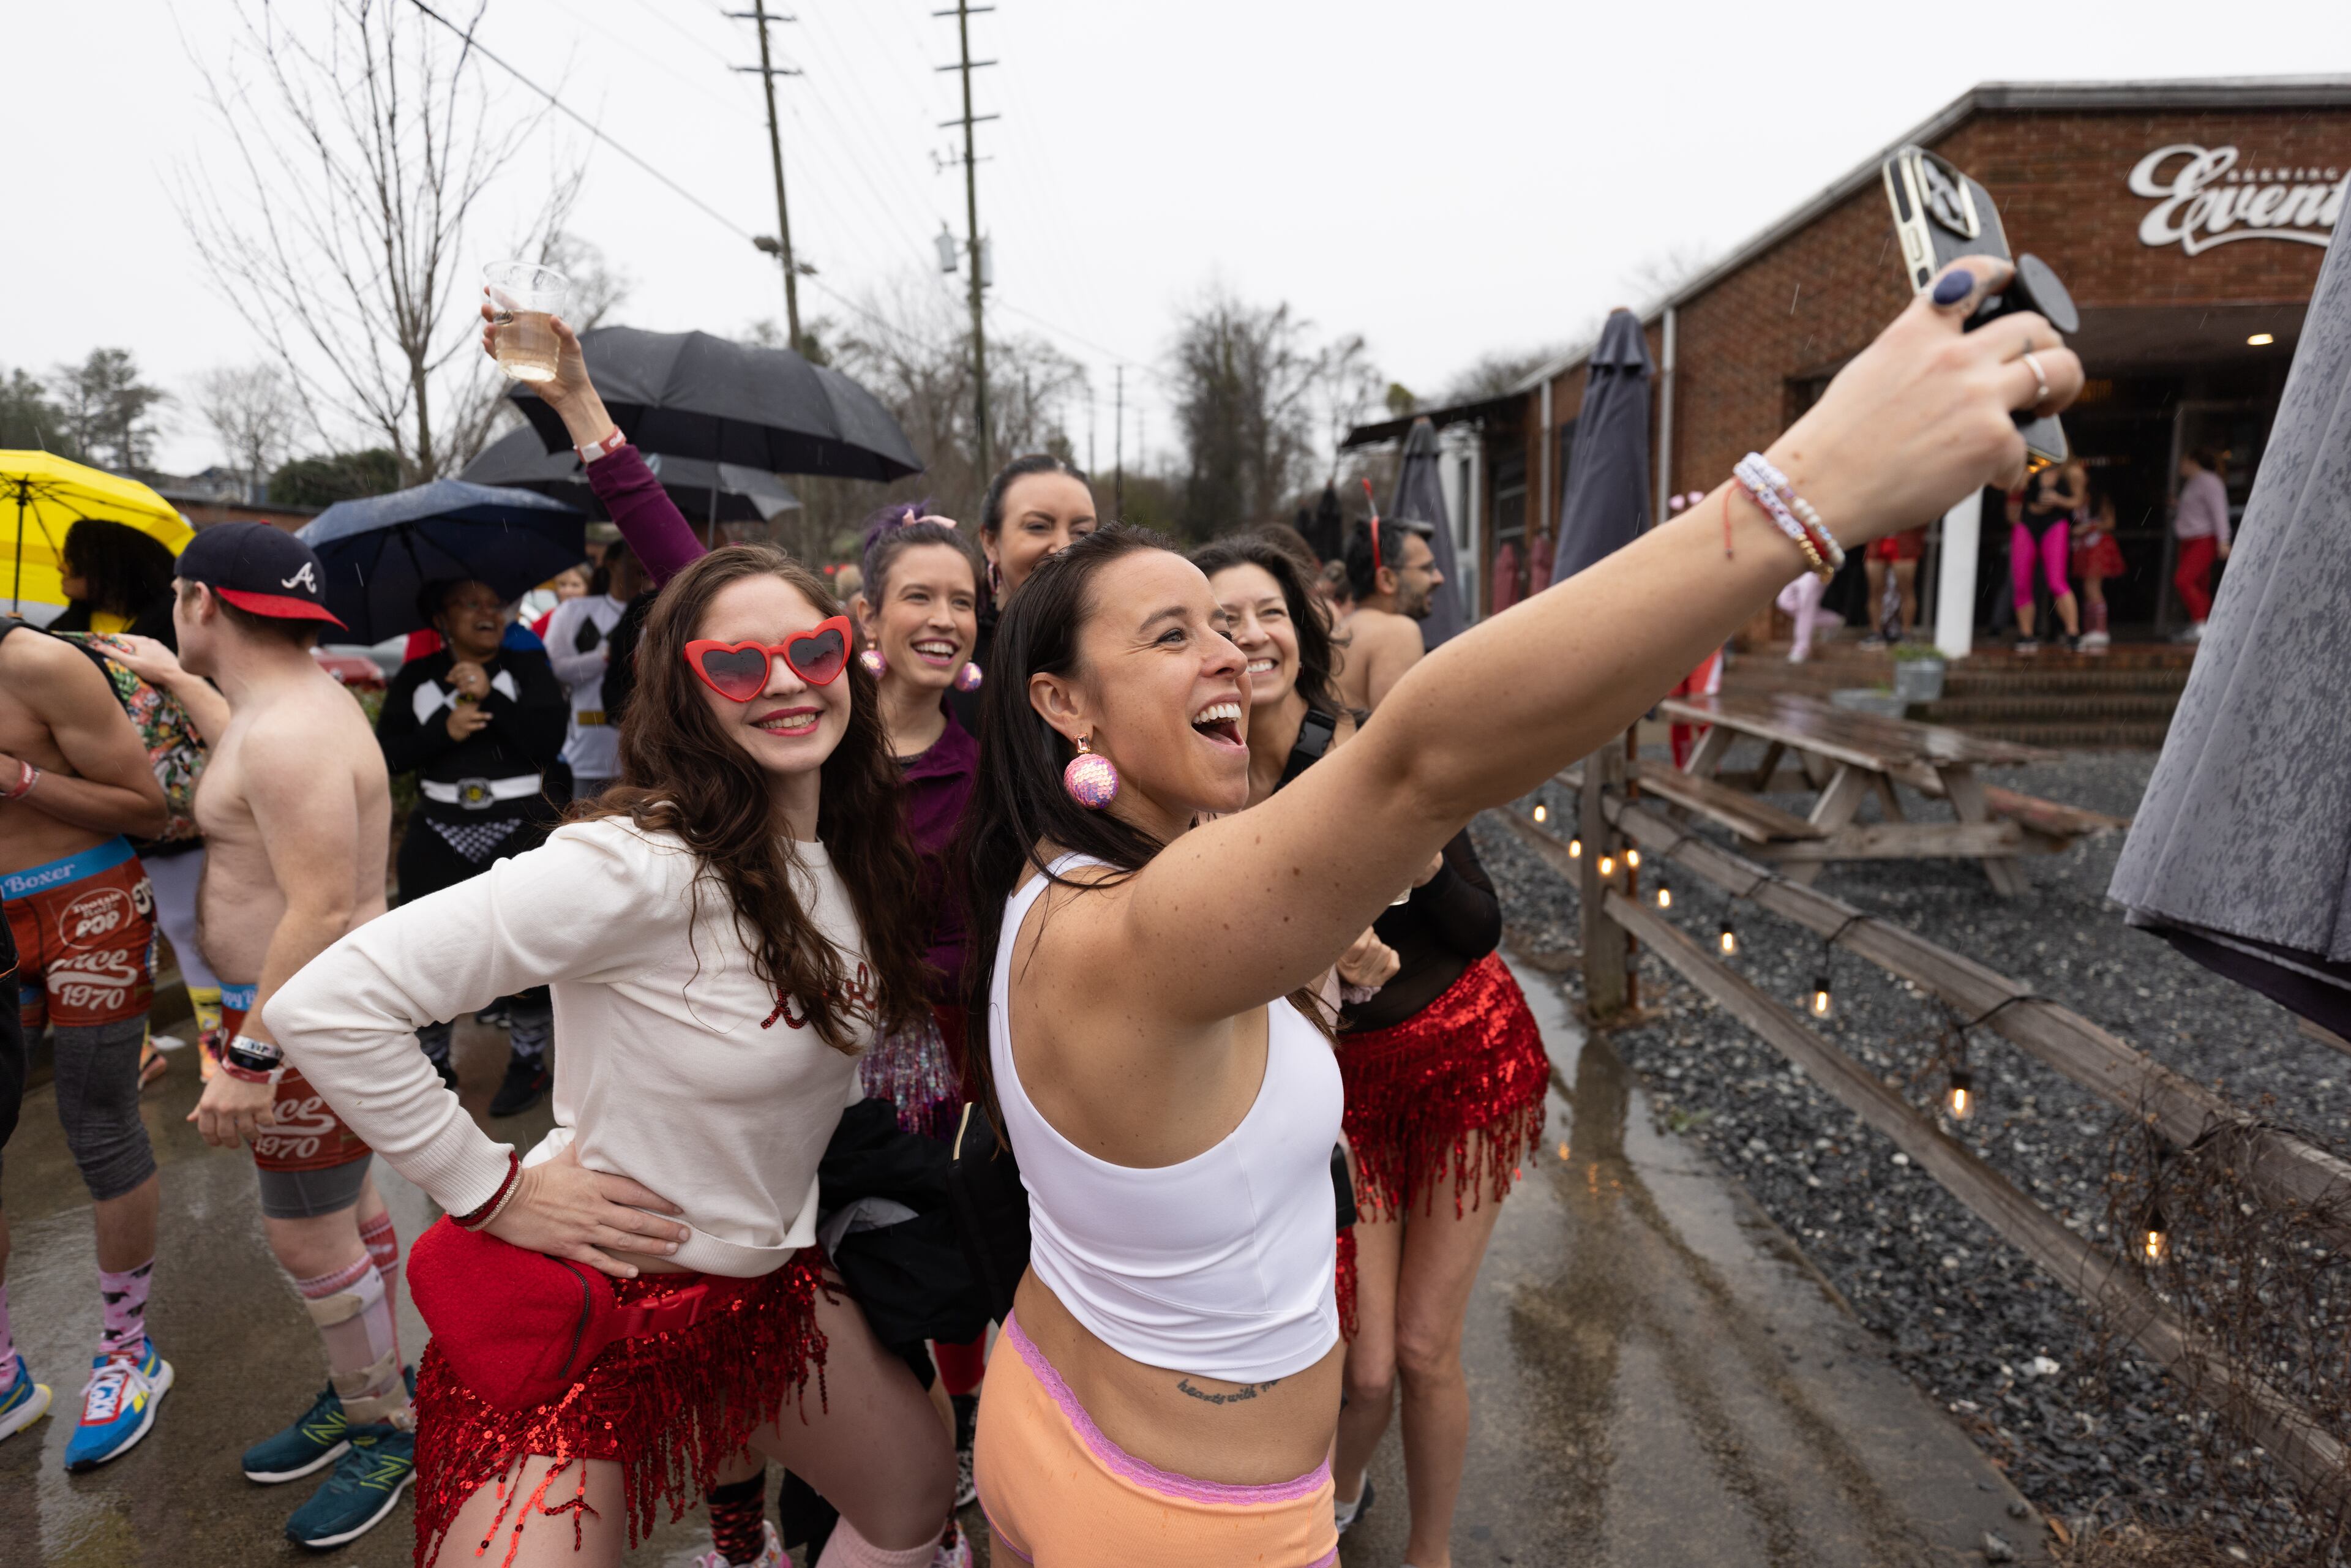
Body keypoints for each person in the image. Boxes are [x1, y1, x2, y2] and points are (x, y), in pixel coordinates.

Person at [958, 254, 2080, 1566]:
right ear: (1060, 702)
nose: (1230, 651)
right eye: (1170, 636)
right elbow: (1423, 755)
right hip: (1188, 1522)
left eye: (1231, 621)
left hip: (1049, 1413)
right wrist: (1804, 491)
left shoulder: (1065, 873)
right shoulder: (1145, 928)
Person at [266, 542, 958, 1568]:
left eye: (813, 649)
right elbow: (328, 1003)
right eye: (736, 664)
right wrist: (491, 1190)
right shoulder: (639, 863)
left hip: (763, 1293)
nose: (782, 682)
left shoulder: (849, 851)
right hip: (596, 1315)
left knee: (913, 1500)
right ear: (686, 692)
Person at [1197, 533, 1547, 1560]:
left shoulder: (1367, 744)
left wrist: (1411, 858)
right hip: (1341, 1095)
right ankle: (1341, 1498)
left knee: (1427, 1352)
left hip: (1462, 1053)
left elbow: (1476, 925)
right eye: (1221, 620)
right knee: (1366, 1369)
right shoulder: (1198, 784)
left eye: (1266, 611)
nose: (1248, 636)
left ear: (1300, 630)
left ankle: (1429, 1551)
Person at [118, 525, 414, 1547]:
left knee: (306, 1233)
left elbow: (322, 907)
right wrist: (172, 678)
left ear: (201, 600)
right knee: (351, 1208)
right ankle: (372, 1384)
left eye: (172, 602)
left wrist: (251, 1058)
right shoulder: (284, 704)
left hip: (304, 1012)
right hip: (317, 1010)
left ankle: (387, 1426)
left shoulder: (288, 732)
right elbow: (244, 748)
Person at [0, 612, 171, 1469]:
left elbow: (148, 805)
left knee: (97, 1123)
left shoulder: (33, 660)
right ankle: (3, 1374)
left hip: (85, 900)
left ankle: (127, 1353)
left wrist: (20, 777)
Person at [375, 579, 568, 1114]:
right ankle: (435, 1066)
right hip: (437, 830)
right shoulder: (416, 677)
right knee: (429, 953)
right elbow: (388, 755)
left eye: (494, 602)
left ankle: (529, 1064)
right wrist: (445, 728)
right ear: (442, 617)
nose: (488, 613)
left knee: (528, 951)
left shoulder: (527, 669)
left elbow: (547, 744)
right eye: (471, 604)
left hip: (521, 824)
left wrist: (490, 699)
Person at [949, 455, 1098, 733]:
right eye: (1038, 526)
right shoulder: (952, 656)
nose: (1064, 548)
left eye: (1082, 531)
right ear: (991, 542)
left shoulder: (1119, 649)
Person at [544, 544, 648, 803]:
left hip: (641, 753)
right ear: (611, 563)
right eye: (632, 556)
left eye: (643, 556)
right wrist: (604, 658)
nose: (640, 564)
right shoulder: (574, 611)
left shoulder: (655, 612)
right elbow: (555, 669)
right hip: (585, 753)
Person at [1336, 518, 1442, 711]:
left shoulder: (1344, 628)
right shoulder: (1397, 631)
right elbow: (1405, 734)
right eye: (1427, 568)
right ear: (1386, 579)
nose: (1439, 578)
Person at [51, 519, 179, 644]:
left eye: (71, 559)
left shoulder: (174, 630)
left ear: (107, 566)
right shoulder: (64, 626)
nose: (61, 567)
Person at [2012, 457, 2084, 652]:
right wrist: (2029, 472)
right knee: (2021, 582)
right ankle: (2026, 634)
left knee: (2056, 581)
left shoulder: (2071, 472)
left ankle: (2072, 632)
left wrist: (2058, 499)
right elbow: (2013, 489)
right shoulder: (2031, 468)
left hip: (2055, 523)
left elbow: (2078, 501)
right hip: (2028, 522)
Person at [2172, 448, 2232, 642]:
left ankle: (2202, 622)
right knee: (2199, 584)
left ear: (2192, 460)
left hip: (2204, 539)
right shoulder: (2193, 482)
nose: (2180, 467)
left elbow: (2219, 511)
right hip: (2188, 540)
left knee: (2184, 580)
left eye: (2183, 462)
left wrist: (2224, 540)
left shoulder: (2209, 481)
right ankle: (2202, 623)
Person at [2072, 487, 2126, 651]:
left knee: (2093, 588)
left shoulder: (2099, 500)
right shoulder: (2075, 498)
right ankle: (2090, 630)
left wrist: (2088, 528)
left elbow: (2110, 523)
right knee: (2087, 589)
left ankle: (2101, 630)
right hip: (2084, 547)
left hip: (2098, 546)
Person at [1862, 525, 1926, 644]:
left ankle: (1906, 633)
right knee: (1875, 591)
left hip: (1904, 542)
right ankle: (1876, 632)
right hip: (1877, 542)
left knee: (1906, 591)